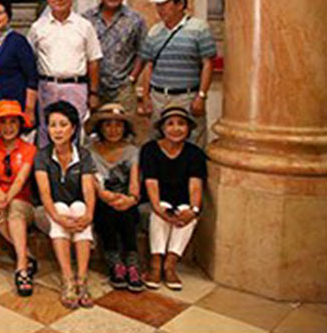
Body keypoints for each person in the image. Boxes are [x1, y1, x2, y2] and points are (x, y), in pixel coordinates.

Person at [34, 100, 97, 309]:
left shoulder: (84, 155)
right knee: (60, 207)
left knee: (80, 207)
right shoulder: (42, 155)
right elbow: (45, 194)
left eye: (63, 124)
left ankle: (82, 278)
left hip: (76, 212)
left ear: (73, 128)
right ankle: (68, 279)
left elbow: (88, 189)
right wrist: (58, 217)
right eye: (53, 125)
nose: (57, 130)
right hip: (48, 213)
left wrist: (89, 215)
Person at [138, 0, 217, 148]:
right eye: (158, 5)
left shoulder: (199, 28)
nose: (160, 10)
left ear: (180, 4)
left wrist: (201, 96)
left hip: (187, 96)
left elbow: (208, 64)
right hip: (159, 97)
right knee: (157, 141)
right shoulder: (155, 31)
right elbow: (149, 65)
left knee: (193, 142)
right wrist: (145, 97)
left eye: (164, 4)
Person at [29, 0, 102, 147]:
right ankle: (47, 164)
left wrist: (94, 93)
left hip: (75, 87)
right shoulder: (37, 27)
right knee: (47, 131)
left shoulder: (84, 26)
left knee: (74, 131)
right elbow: (30, 60)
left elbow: (93, 60)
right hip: (46, 87)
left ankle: (74, 164)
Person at [140, 104, 206, 291]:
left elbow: (195, 185)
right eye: (170, 124)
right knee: (161, 209)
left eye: (181, 124)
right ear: (162, 128)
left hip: (182, 201)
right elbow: (151, 182)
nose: (176, 128)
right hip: (156, 200)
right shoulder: (150, 149)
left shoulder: (195, 153)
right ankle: (155, 263)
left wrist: (194, 210)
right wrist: (158, 208)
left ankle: (170, 264)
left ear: (188, 128)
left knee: (187, 212)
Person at [84, 103, 143, 292]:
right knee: (106, 211)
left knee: (126, 212)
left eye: (118, 125)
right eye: (108, 125)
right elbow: (91, 179)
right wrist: (104, 195)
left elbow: (134, 182)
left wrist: (131, 199)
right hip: (99, 199)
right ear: (100, 128)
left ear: (125, 128)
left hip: (125, 199)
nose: (113, 130)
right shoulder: (89, 150)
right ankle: (114, 262)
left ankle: (132, 262)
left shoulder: (132, 151)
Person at [0, 100, 37, 296]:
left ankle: (21, 266)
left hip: (21, 202)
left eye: (13, 122)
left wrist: (6, 199)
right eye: (3, 122)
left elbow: (21, 179)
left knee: (14, 210)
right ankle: (27, 255)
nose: (8, 127)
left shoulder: (29, 149)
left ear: (20, 124)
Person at [83, 0, 147, 138]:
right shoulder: (86, 19)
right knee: (95, 133)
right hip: (94, 88)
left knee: (126, 132)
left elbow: (143, 53)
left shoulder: (135, 20)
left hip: (123, 88)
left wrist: (132, 78)